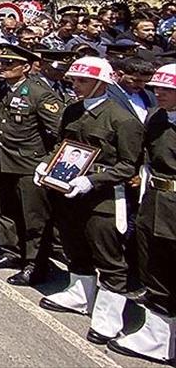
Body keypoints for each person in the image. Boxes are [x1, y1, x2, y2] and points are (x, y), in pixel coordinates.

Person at [38, 56, 143, 346]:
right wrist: (47, 164)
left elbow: (127, 165)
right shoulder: (72, 110)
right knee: (75, 244)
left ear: (101, 83)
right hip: (70, 194)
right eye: (73, 80)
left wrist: (91, 180)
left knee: (108, 256)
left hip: (104, 199)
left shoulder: (122, 119)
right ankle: (80, 294)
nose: (75, 85)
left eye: (82, 80)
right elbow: (63, 146)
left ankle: (109, 318)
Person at [0, 44, 63, 286]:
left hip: (30, 163)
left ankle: (35, 264)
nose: (2, 67)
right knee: (4, 209)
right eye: (1, 63)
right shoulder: (0, 88)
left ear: (25, 67)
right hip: (3, 159)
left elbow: (61, 132)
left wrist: (47, 162)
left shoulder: (39, 93)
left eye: (9, 64)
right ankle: (10, 252)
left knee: (34, 218)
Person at [108, 63, 176, 364]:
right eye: (157, 88)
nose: (158, 94)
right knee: (156, 266)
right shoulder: (156, 116)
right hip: (156, 199)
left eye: (167, 90)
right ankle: (158, 338)